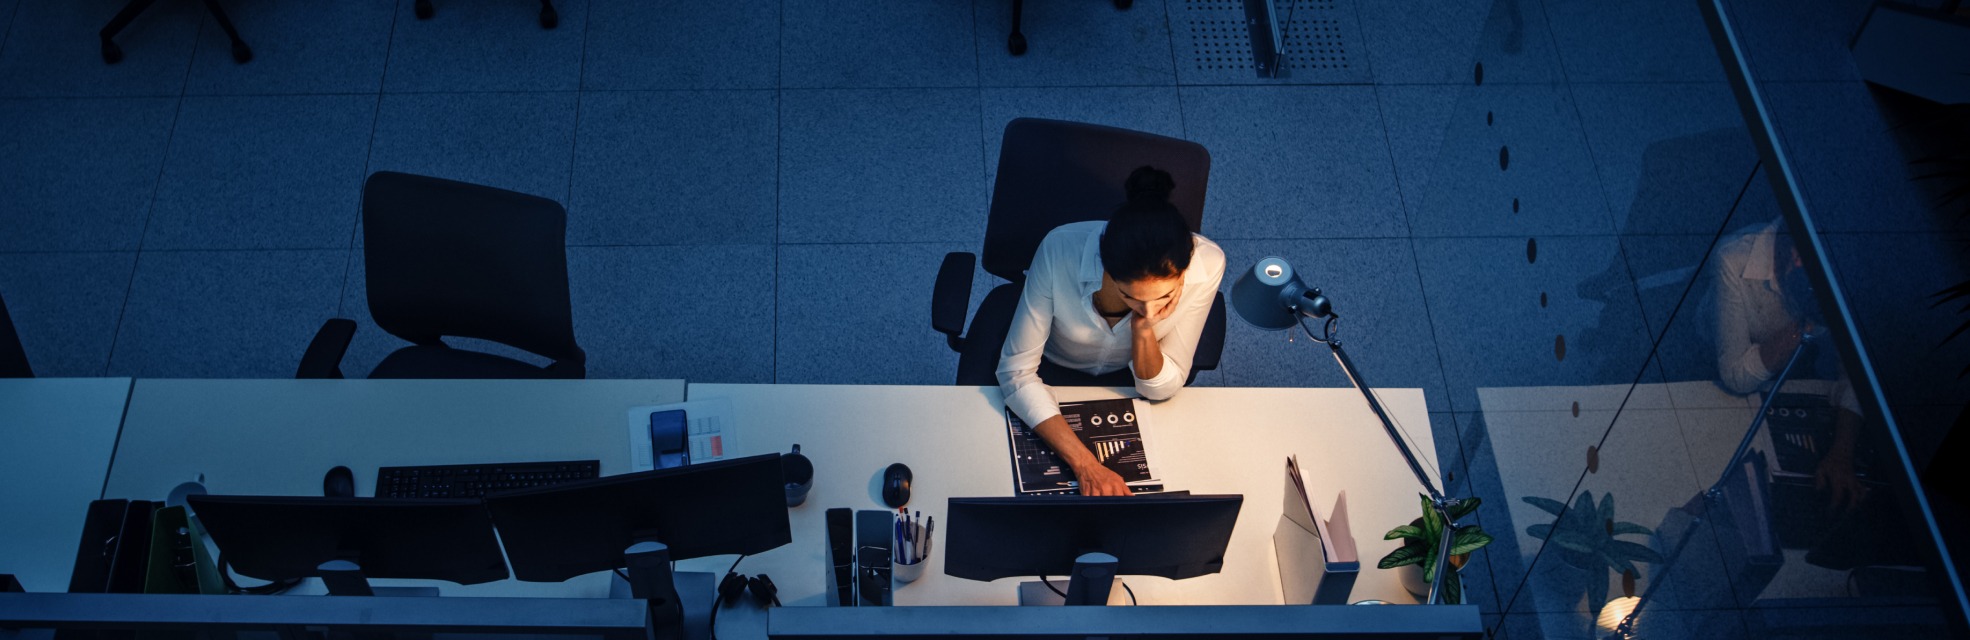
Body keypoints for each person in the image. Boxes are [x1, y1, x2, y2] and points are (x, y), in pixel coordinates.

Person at [997, 166, 1225, 497]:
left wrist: (1144, 329)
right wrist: (1086, 465)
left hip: (1127, 379)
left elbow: (1160, 388)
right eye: (1129, 295)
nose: (1148, 309)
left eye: (1163, 297)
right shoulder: (1060, 250)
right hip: (1055, 362)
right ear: (1106, 268)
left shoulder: (1207, 265)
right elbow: (1016, 372)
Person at [1712, 219, 1864, 512]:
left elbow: (1858, 374)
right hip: (1709, 359)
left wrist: (1842, 452)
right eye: (1795, 249)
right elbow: (1735, 375)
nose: (1797, 260)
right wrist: (1808, 320)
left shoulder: (1848, 262)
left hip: (1799, 370)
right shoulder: (1732, 258)